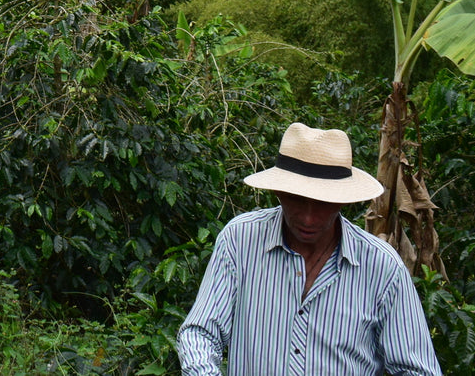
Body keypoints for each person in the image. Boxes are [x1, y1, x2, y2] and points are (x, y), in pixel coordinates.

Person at [177, 122, 442, 376]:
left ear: (343, 201)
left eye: (324, 203)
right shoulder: (240, 241)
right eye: (296, 200)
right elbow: (200, 332)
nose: (308, 218)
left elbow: (417, 370)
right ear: (278, 192)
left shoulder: (381, 267)